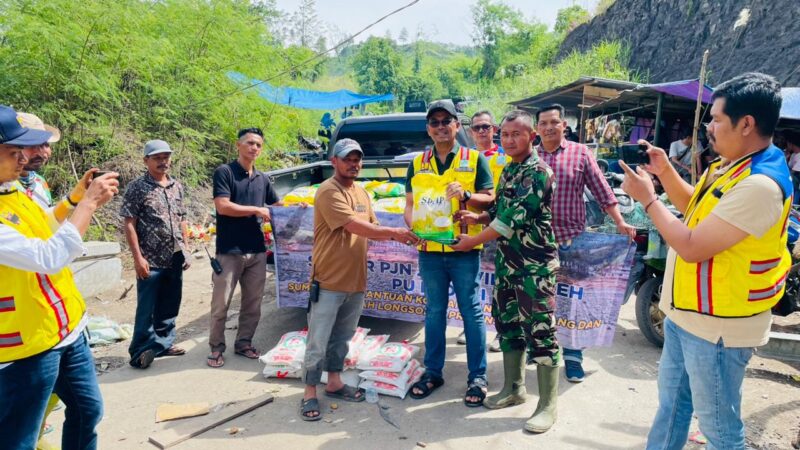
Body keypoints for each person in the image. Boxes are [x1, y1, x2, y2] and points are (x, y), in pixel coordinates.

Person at [619, 72, 789, 450]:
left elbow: (693, 246)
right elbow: (695, 209)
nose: (708, 127)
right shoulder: (731, 165)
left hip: (718, 329)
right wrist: (664, 171)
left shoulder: (760, 185)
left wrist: (648, 200)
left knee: (719, 430)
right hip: (687, 315)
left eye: (716, 119)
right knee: (672, 409)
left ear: (747, 124)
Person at [0, 104, 119, 450]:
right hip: (28, 346)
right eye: (15, 151)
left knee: (88, 411)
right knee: (19, 439)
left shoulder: (12, 189)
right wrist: (88, 205)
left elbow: (46, 226)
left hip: (67, 329)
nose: (24, 158)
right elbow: (48, 256)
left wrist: (74, 199)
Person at [452, 110, 561, 433]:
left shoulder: (538, 172)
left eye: (517, 134)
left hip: (535, 268)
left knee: (541, 332)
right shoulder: (511, 168)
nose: (510, 140)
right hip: (509, 265)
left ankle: (548, 405)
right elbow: (498, 209)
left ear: (532, 137)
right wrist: (477, 218)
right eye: (506, 135)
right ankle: (514, 389)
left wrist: (472, 240)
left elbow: (508, 222)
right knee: (508, 325)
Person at [300, 139, 420, 421]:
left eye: (357, 159)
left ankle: (334, 382)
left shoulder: (362, 192)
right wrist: (394, 233)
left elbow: (373, 226)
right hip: (329, 279)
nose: (353, 164)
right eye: (347, 159)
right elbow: (353, 225)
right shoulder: (329, 191)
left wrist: (407, 233)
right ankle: (308, 393)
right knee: (318, 340)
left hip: (356, 280)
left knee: (342, 338)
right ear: (334, 161)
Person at [535, 103, 636, 383]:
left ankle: (573, 357)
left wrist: (619, 221)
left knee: (572, 303)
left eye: (554, 122)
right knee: (539, 301)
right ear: (536, 128)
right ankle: (542, 354)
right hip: (537, 244)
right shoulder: (530, 156)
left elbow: (601, 190)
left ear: (563, 126)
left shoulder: (580, 153)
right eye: (543, 123)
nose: (549, 127)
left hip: (572, 242)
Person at [404, 100, 495, 406]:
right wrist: (413, 226)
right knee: (434, 311)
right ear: (428, 129)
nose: (441, 127)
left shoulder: (474, 159)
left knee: (471, 310)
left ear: (457, 125)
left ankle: (478, 377)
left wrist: (467, 195)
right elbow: (410, 205)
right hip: (429, 250)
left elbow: (490, 199)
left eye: (447, 121)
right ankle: (433, 372)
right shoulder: (417, 163)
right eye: (435, 122)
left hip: (464, 248)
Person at [208, 127, 294, 368]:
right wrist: (256, 209)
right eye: (249, 143)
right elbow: (223, 206)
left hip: (256, 250)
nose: (254, 147)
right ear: (238, 145)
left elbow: (276, 205)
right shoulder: (225, 172)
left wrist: (298, 207)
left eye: (258, 144)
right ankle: (216, 348)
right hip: (229, 250)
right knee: (221, 304)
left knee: (252, 303)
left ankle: (244, 342)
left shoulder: (262, 178)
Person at [121, 140, 190, 369]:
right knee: (147, 308)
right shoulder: (137, 187)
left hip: (175, 255)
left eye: (166, 157)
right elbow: (129, 223)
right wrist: (137, 258)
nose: (163, 162)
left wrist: (186, 247)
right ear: (146, 161)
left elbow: (182, 217)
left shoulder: (176, 185)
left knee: (170, 302)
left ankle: (163, 344)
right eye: (157, 158)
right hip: (150, 258)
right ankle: (139, 352)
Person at [459, 110, 504, 352]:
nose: (482, 131)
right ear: (470, 132)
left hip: (499, 227)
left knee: (498, 281)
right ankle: (472, 327)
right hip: (471, 226)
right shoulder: (465, 158)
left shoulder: (506, 157)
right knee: (471, 281)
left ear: (494, 129)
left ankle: (500, 331)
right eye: (477, 127)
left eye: (486, 126)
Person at [15, 112, 60, 209]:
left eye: (45, 144)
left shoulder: (39, 181)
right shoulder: (5, 186)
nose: (41, 152)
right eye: (31, 144)